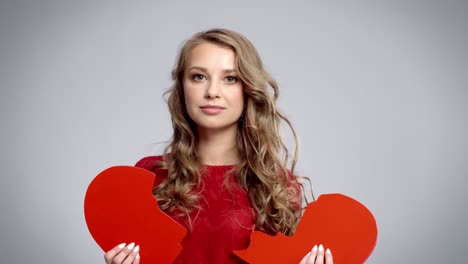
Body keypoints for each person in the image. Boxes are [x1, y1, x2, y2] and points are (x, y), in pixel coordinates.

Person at [103, 28, 333, 264]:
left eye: (230, 78)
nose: (212, 92)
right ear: (182, 87)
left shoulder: (276, 185)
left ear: (247, 89)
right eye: (198, 77)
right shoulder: (148, 177)